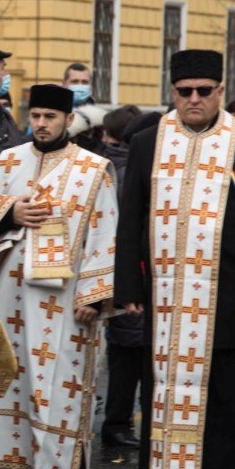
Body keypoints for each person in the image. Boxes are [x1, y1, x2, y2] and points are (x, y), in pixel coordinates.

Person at [115, 49, 235, 469]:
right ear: (172, 93)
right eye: (184, 92)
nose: (193, 100)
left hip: (224, 292)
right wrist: (128, 284)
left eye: (204, 91)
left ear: (220, 92)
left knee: (226, 393)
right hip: (165, 295)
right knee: (161, 388)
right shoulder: (149, 141)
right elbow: (132, 219)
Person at [0, 84, 118, 469]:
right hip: (9, 291)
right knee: (13, 375)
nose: (41, 124)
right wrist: (8, 212)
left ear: (68, 120)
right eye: (35, 116)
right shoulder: (7, 161)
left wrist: (94, 293)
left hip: (64, 295)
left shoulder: (93, 169)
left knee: (59, 379)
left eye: (49, 117)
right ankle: (15, 465)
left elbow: (105, 232)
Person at [98, 105, 145, 448]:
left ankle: (119, 421)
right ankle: (118, 423)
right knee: (130, 355)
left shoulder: (114, 167)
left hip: (124, 274)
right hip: (132, 273)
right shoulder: (128, 171)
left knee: (126, 353)